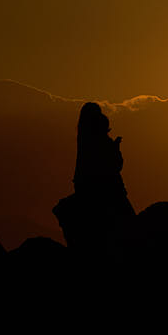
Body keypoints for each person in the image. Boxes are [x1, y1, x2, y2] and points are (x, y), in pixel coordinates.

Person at [59, 100, 134, 254]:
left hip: (87, 187)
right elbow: (115, 165)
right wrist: (115, 148)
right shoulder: (99, 141)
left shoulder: (84, 140)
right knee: (129, 229)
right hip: (107, 190)